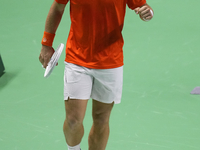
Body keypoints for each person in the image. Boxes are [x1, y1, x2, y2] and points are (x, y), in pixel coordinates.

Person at [39, 0, 153, 150]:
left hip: (110, 62)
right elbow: (58, 6)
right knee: (73, 120)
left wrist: (147, 13)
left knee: (101, 119)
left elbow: (144, 7)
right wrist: (46, 43)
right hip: (77, 58)